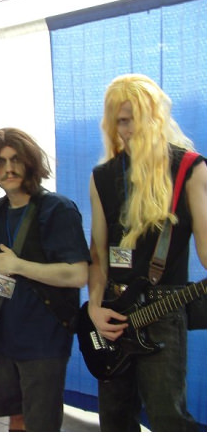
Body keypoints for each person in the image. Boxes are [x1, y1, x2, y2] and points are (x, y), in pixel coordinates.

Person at [87, 74, 206, 431]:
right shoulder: (102, 176)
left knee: (168, 418)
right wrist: (94, 307)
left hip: (163, 308)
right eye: (121, 120)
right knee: (114, 420)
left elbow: (207, 245)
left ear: (156, 115)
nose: (129, 128)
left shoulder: (189, 168)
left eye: (136, 117)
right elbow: (98, 255)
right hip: (113, 311)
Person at [0, 127, 90, 432]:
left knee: (40, 424)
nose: (9, 168)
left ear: (29, 162)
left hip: (43, 340)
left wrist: (18, 266)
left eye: (15, 159)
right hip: (1, 335)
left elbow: (78, 274)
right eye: (0, 162)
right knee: (16, 418)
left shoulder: (58, 210)